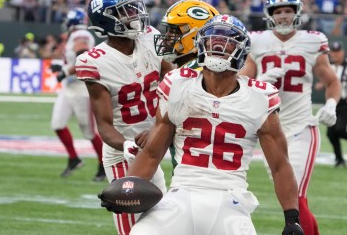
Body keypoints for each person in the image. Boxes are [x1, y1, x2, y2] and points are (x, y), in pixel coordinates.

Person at [127, 14, 304, 235]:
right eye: (212, 39)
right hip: (182, 192)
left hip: (231, 198)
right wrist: (128, 188)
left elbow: (280, 165)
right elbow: (152, 152)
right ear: (200, 44)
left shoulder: (259, 97)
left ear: (241, 50)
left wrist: (292, 218)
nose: (218, 46)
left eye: (228, 41)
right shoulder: (178, 84)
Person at [239, 0, 341, 234]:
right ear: (269, 15)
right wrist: (258, 82)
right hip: (270, 131)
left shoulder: (312, 41)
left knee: (295, 195)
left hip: (301, 127)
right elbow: (241, 82)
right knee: (290, 197)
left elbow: (331, 80)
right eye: (278, 11)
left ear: (297, 12)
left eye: (287, 10)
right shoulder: (257, 41)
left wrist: (331, 104)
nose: (283, 15)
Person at [76, 0, 172, 234]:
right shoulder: (94, 62)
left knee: (167, 220)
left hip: (152, 145)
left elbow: (173, 81)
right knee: (131, 227)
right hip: (124, 153)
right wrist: (127, 145)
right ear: (106, 20)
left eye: (133, 9)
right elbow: (105, 125)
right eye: (125, 12)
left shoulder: (150, 36)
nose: (134, 16)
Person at [154, 0, 219, 170]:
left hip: (197, 172)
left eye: (174, 31)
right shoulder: (206, 70)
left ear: (196, 36)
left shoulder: (190, 75)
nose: (166, 38)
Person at [49, 7, 105, 182]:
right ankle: (74, 158)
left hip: (82, 88)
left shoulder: (81, 35)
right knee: (58, 123)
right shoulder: (75, 35)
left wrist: (64, 70)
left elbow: (84, 58)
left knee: (88, 131)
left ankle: (103, 165)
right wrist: (62, 68)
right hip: (69, 88)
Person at [315, 41, 347, 167]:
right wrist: (321, 84)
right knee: (331, 133)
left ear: (342, 52)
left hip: (345, 102)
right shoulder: (328, 65)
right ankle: (339, 159)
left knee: (340, 128)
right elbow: (326, 80)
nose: (335, 54)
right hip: (332, 102)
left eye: (337, 52)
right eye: (333, 52)